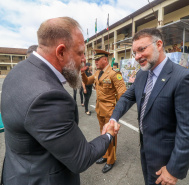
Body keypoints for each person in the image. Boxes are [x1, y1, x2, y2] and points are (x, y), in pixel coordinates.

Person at [1, 17, 119, 185]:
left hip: (17, 172)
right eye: (80, 53)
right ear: (61, 52)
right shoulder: (47, 96)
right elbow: (81, 158)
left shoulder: (18, 71)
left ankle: (110, 159)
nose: (84, 59)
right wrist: (109, 135)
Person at [104, 28, 189, 185]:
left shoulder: (183, 78)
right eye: (134, 52)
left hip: (165, 159)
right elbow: (127, 97)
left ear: (158, 44)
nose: (137, 57)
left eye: (141, 49)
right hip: (145, 149)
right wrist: (114, 118)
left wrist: (174, 169)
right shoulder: (142, 74)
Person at [81, 49, 127, 173]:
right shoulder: (97, 73)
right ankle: (106, 155)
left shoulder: (113, 73)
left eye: (97, 60)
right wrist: (82, 74)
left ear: (105, 60)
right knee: (103, 134)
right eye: (95, 60)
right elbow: (87, 81)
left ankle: (111, 160)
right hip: (100, 110)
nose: (95, 62)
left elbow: (123, 93)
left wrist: (118, 112)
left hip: (110, 111)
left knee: (111, 136)